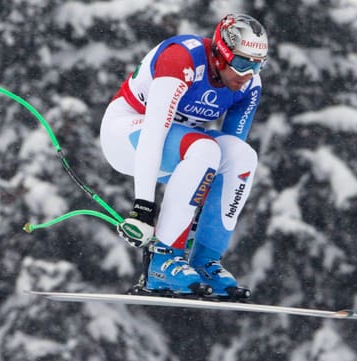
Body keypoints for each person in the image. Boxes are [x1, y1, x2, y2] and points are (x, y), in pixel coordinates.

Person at [100, 14, 268, 298]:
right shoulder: (182, 59)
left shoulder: (249, 86)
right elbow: (155, 132)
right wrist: (143, 207)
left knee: (242, 157)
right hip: (127, 134)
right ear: (221, 54)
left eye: (258, 64)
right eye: (242, 64)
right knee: (205, 148)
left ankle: (204, 261)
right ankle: (162, 261)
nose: (248, 74)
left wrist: (198, 203)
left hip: (180, 147)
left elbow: (228, 154)